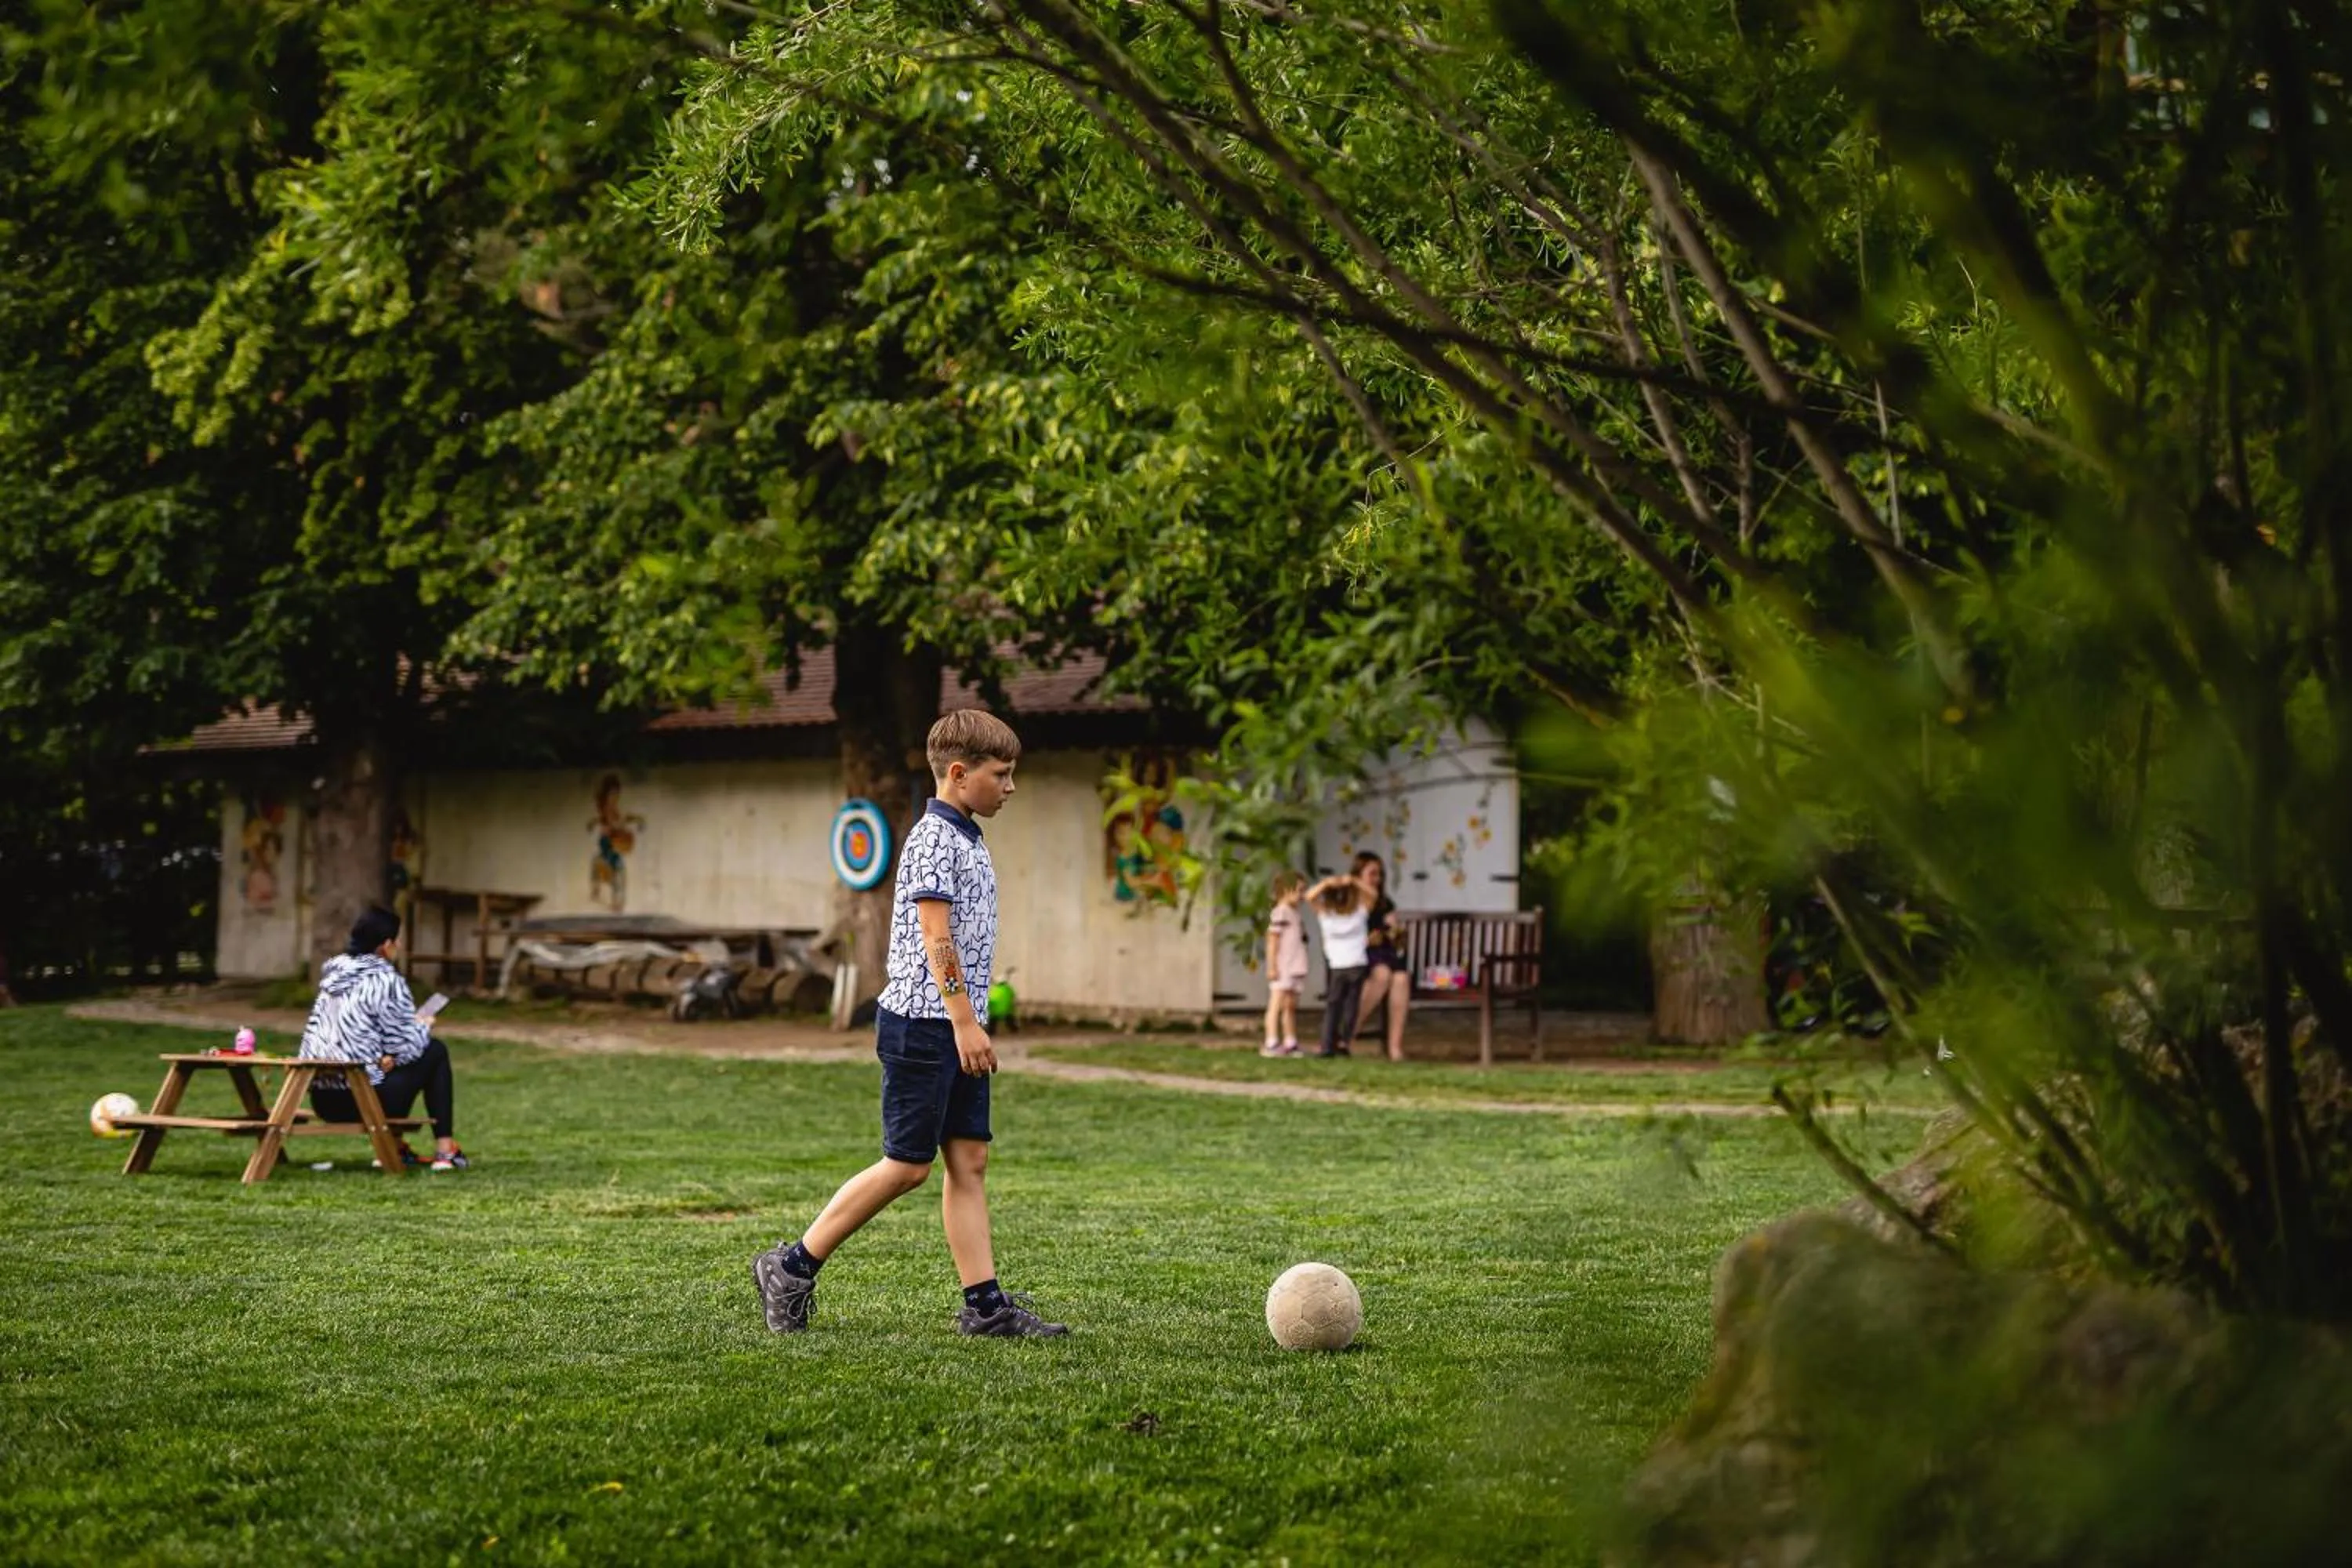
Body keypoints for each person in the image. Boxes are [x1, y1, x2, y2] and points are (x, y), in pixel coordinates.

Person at [752, 710, 1067, 1338]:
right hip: (926, 1025)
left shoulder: (968, 836)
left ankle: (985, 1308)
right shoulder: (932, 840)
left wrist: (970, 1021)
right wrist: (964, 1022)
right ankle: (791, 1266)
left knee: (969, 1160)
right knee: (907, 1166)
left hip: (955, 1024)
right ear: (958, 773)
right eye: (1001, 774)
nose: (1010, 786)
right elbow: (934, 934)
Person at [299, 906, 467, 1171]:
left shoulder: (333, 979)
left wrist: (388, 1056)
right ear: (386, 945)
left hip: (324, 1100)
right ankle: (445, 1150)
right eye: (396, 940)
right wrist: (422, 1026)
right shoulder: (385, 980)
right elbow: (408, 1046)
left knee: (395, 1061)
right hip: (365, 1101)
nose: (398, 945)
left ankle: (395, 1147)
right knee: (434, 1051)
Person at [1305, 868, 1374, 1058]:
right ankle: (1344, 1041)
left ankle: (1327, 1045)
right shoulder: (1359, 914)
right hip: (1357, 964)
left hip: (1337, 966)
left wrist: (1327, 883)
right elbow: (1372, 895)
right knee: (1351, 1006)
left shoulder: (1326, 916)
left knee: (1333, 1006)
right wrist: (1353, 880)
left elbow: (1310, 896)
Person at [1352, 851, 1413, 1062]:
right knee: (1382, 974)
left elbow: (1396, 935)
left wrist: (1394, 932)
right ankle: (1348, 1033)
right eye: (1372, 874)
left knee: (1401, 978)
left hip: (1384, 953)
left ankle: (1395, 1047)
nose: (1377, 879)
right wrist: (1366, 940)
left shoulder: (1384, 903)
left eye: (1379, 874)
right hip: (1357, 956)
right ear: (1358, 875)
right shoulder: (1350, 901)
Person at [1261, 870, 1309, 1057]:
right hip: (1283, 965)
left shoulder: (1294, 914)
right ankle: (1271, 1041)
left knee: (1290, 1005)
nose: (1302, 896)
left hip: (1295, 965)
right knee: (1276, 1003)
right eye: (1299, 891)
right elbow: (1273, 940)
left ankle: (1290, 1041)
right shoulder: (1280, 912)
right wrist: (1272, 966)